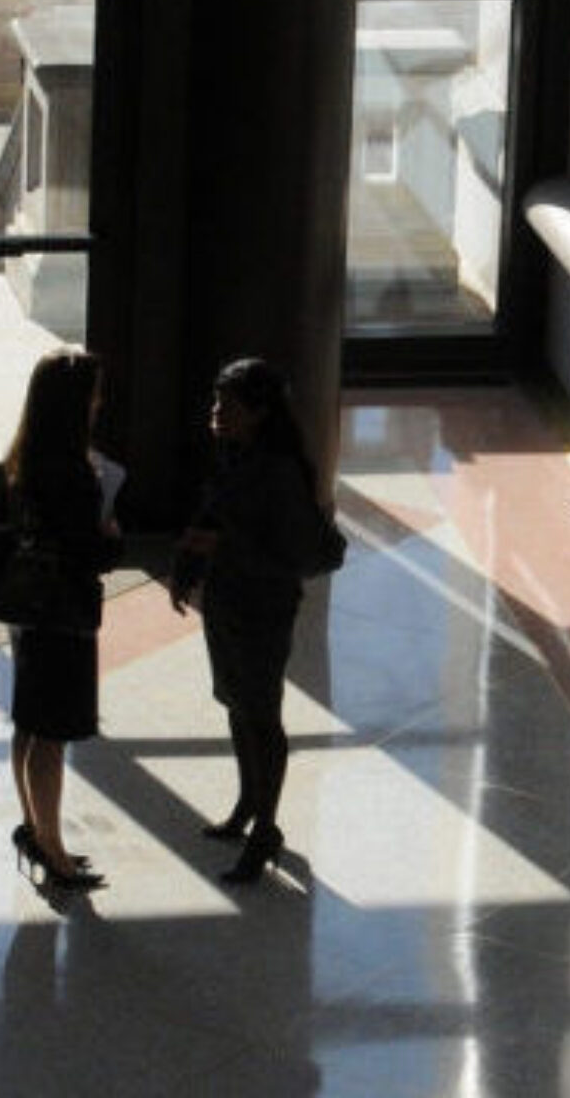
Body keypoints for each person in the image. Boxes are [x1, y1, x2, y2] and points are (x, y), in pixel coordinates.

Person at [170, 357, 333, 884]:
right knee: (239, 704)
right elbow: (211, 514)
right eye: (216, 402)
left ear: (259, 413)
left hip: (262, 605)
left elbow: (290, 552)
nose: (216, 413)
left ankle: (266, 825)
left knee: (261, 712)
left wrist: (220, 545)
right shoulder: (233, 454)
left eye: (228, 405)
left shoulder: (279, 471)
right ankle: (249, 805)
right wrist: (190, 564)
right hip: (227, 597)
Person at [5, 349, 122, 893]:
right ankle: (53, 849)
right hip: (64, 613)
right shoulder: (77, 474)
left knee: (30, 723)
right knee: (53, 733)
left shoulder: (26, 460)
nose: (101, 402)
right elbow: (88, 554)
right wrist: (111, 538)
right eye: (95, 393)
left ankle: (34, 828)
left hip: (30, 608)